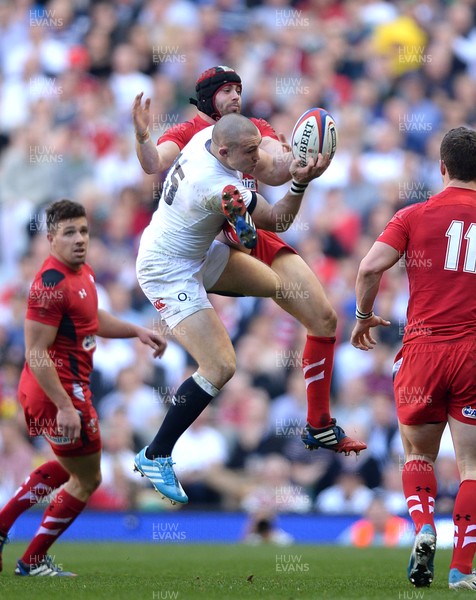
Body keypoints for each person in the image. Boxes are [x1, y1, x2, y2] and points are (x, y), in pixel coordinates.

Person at [132, 65, 367, 463]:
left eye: (238, 88)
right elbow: (153, 163)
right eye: (226, 90)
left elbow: (275, 165)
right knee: (221, 361)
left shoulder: (249, 129)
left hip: (249, 230)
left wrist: (299, 166)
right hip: (209, 240)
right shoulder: (194, 134)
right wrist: (141, 136)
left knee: (323, 319)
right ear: (207, 98)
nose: (235, 95)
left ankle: (319, 424)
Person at [0, 200, 167, 577]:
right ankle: (32, 560)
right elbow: (36, 353)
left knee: (68, 465)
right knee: (89, 478)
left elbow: (91, 318)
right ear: (50, 239)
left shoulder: (83, 272)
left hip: (62, 391)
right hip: (57, 391)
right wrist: (64, 406)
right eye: (69, 233)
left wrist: (135, 330)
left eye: (84, 231)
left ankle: (3, 527)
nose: (80, 239)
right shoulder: (49, 284)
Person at [351, 126, 476, 590]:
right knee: (472, 468)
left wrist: (363, 315)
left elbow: (369, 267)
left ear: (442, 167)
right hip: (473, 354)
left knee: (418, 453)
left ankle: (423, 526)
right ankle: (462, 569)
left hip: (423, 350)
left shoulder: (414, 214)